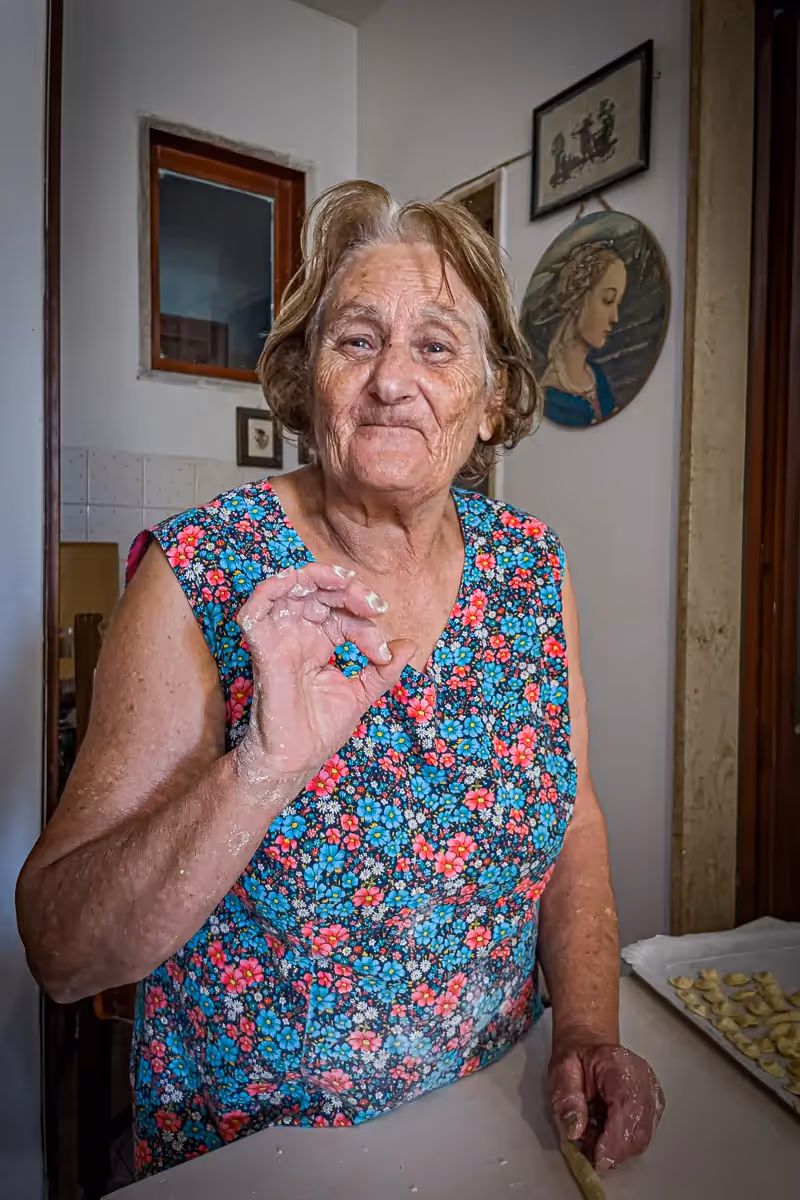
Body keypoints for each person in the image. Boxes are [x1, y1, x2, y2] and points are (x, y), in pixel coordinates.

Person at [17, 181, 663, 1177]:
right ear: (304, 382)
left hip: (490, 1129)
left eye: (436, 346)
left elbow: (567, 817)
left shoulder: (531, 566)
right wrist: (261, 768)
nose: (391, 380)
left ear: (491, 401)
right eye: (355, 341)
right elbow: (62, 954)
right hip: (256, 1160)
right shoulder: (198, 572)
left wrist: (582, 1027)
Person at [541, 242, 627, 428]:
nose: (615, 318)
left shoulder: (597, 377)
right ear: (578, 299)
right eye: (607, 300)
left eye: (617, 304)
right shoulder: (550, 398)